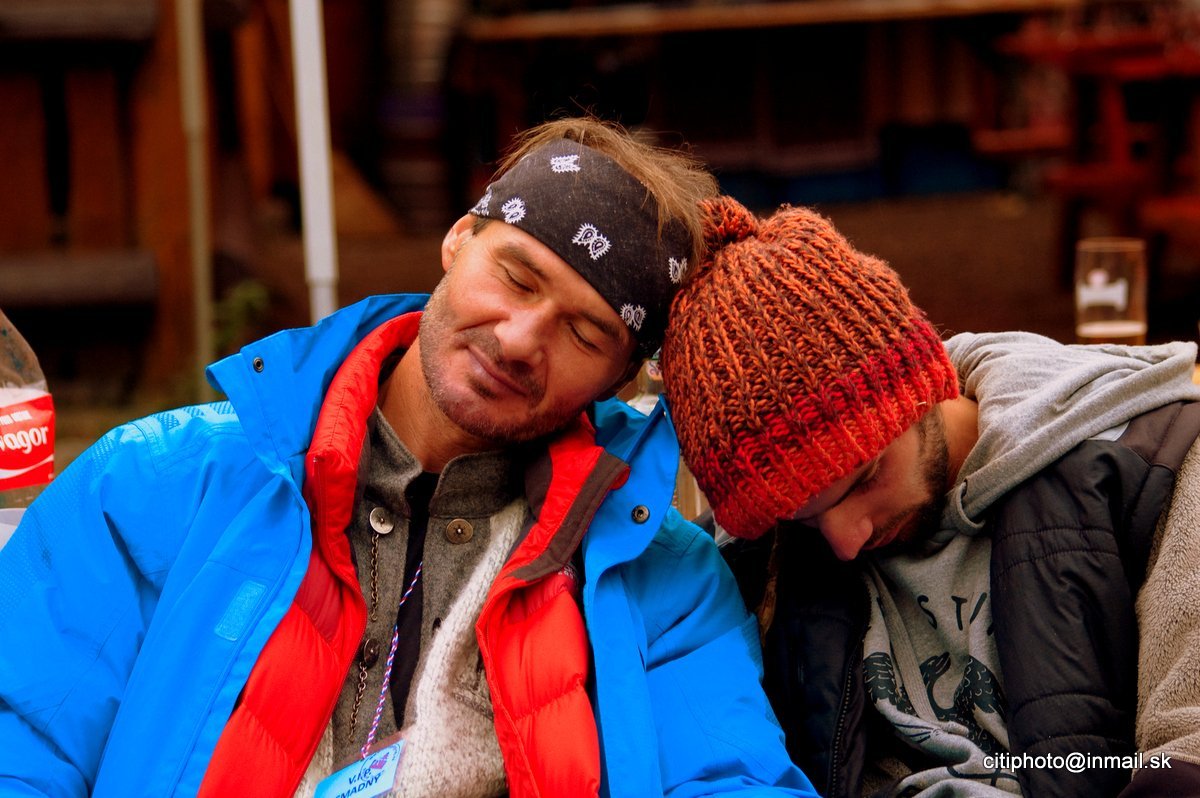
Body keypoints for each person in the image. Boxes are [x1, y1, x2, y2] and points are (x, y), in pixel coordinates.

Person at [0, 121, 818, 798]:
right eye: (517, 277)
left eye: (584, 332)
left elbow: (733, 779)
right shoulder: (149, 485)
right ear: (459, 239)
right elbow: (23, 745)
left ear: (622, 380)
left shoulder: (662, 579)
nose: (519, 340)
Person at [660, 195, 1200, 798]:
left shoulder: (1154, 461)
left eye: (865, 478)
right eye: (804, 518)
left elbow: (1187, 758)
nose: (846, 541)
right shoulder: (752, 564)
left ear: (922, 384)